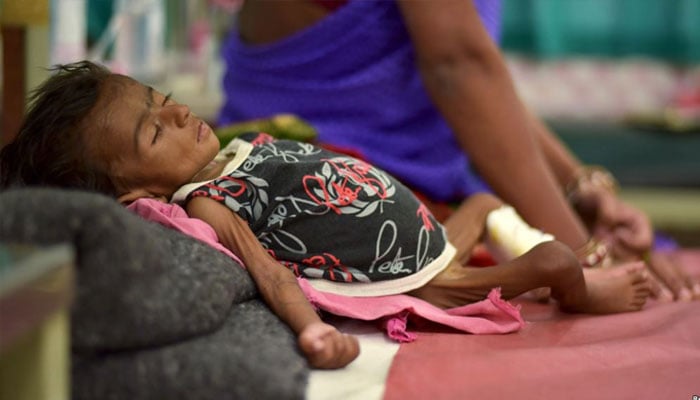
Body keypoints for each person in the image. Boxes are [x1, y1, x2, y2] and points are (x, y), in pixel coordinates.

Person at [0, 61, 653, 369]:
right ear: (131, 199)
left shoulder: (233, 149)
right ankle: (580, 288)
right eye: (153, 133)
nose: (176, 113)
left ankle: (538, 255)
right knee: (553, 260)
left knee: (482, 200)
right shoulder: (207, 203)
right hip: (413, 275)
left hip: (421, 232)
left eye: (162, 99)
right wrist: (312, 332)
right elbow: (272, 273)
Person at [216, 0, 700, 300]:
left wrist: (580, 188)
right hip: (320, 165)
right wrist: (584, 256)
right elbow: (459, 70)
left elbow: (477, 73)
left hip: (408, 166)